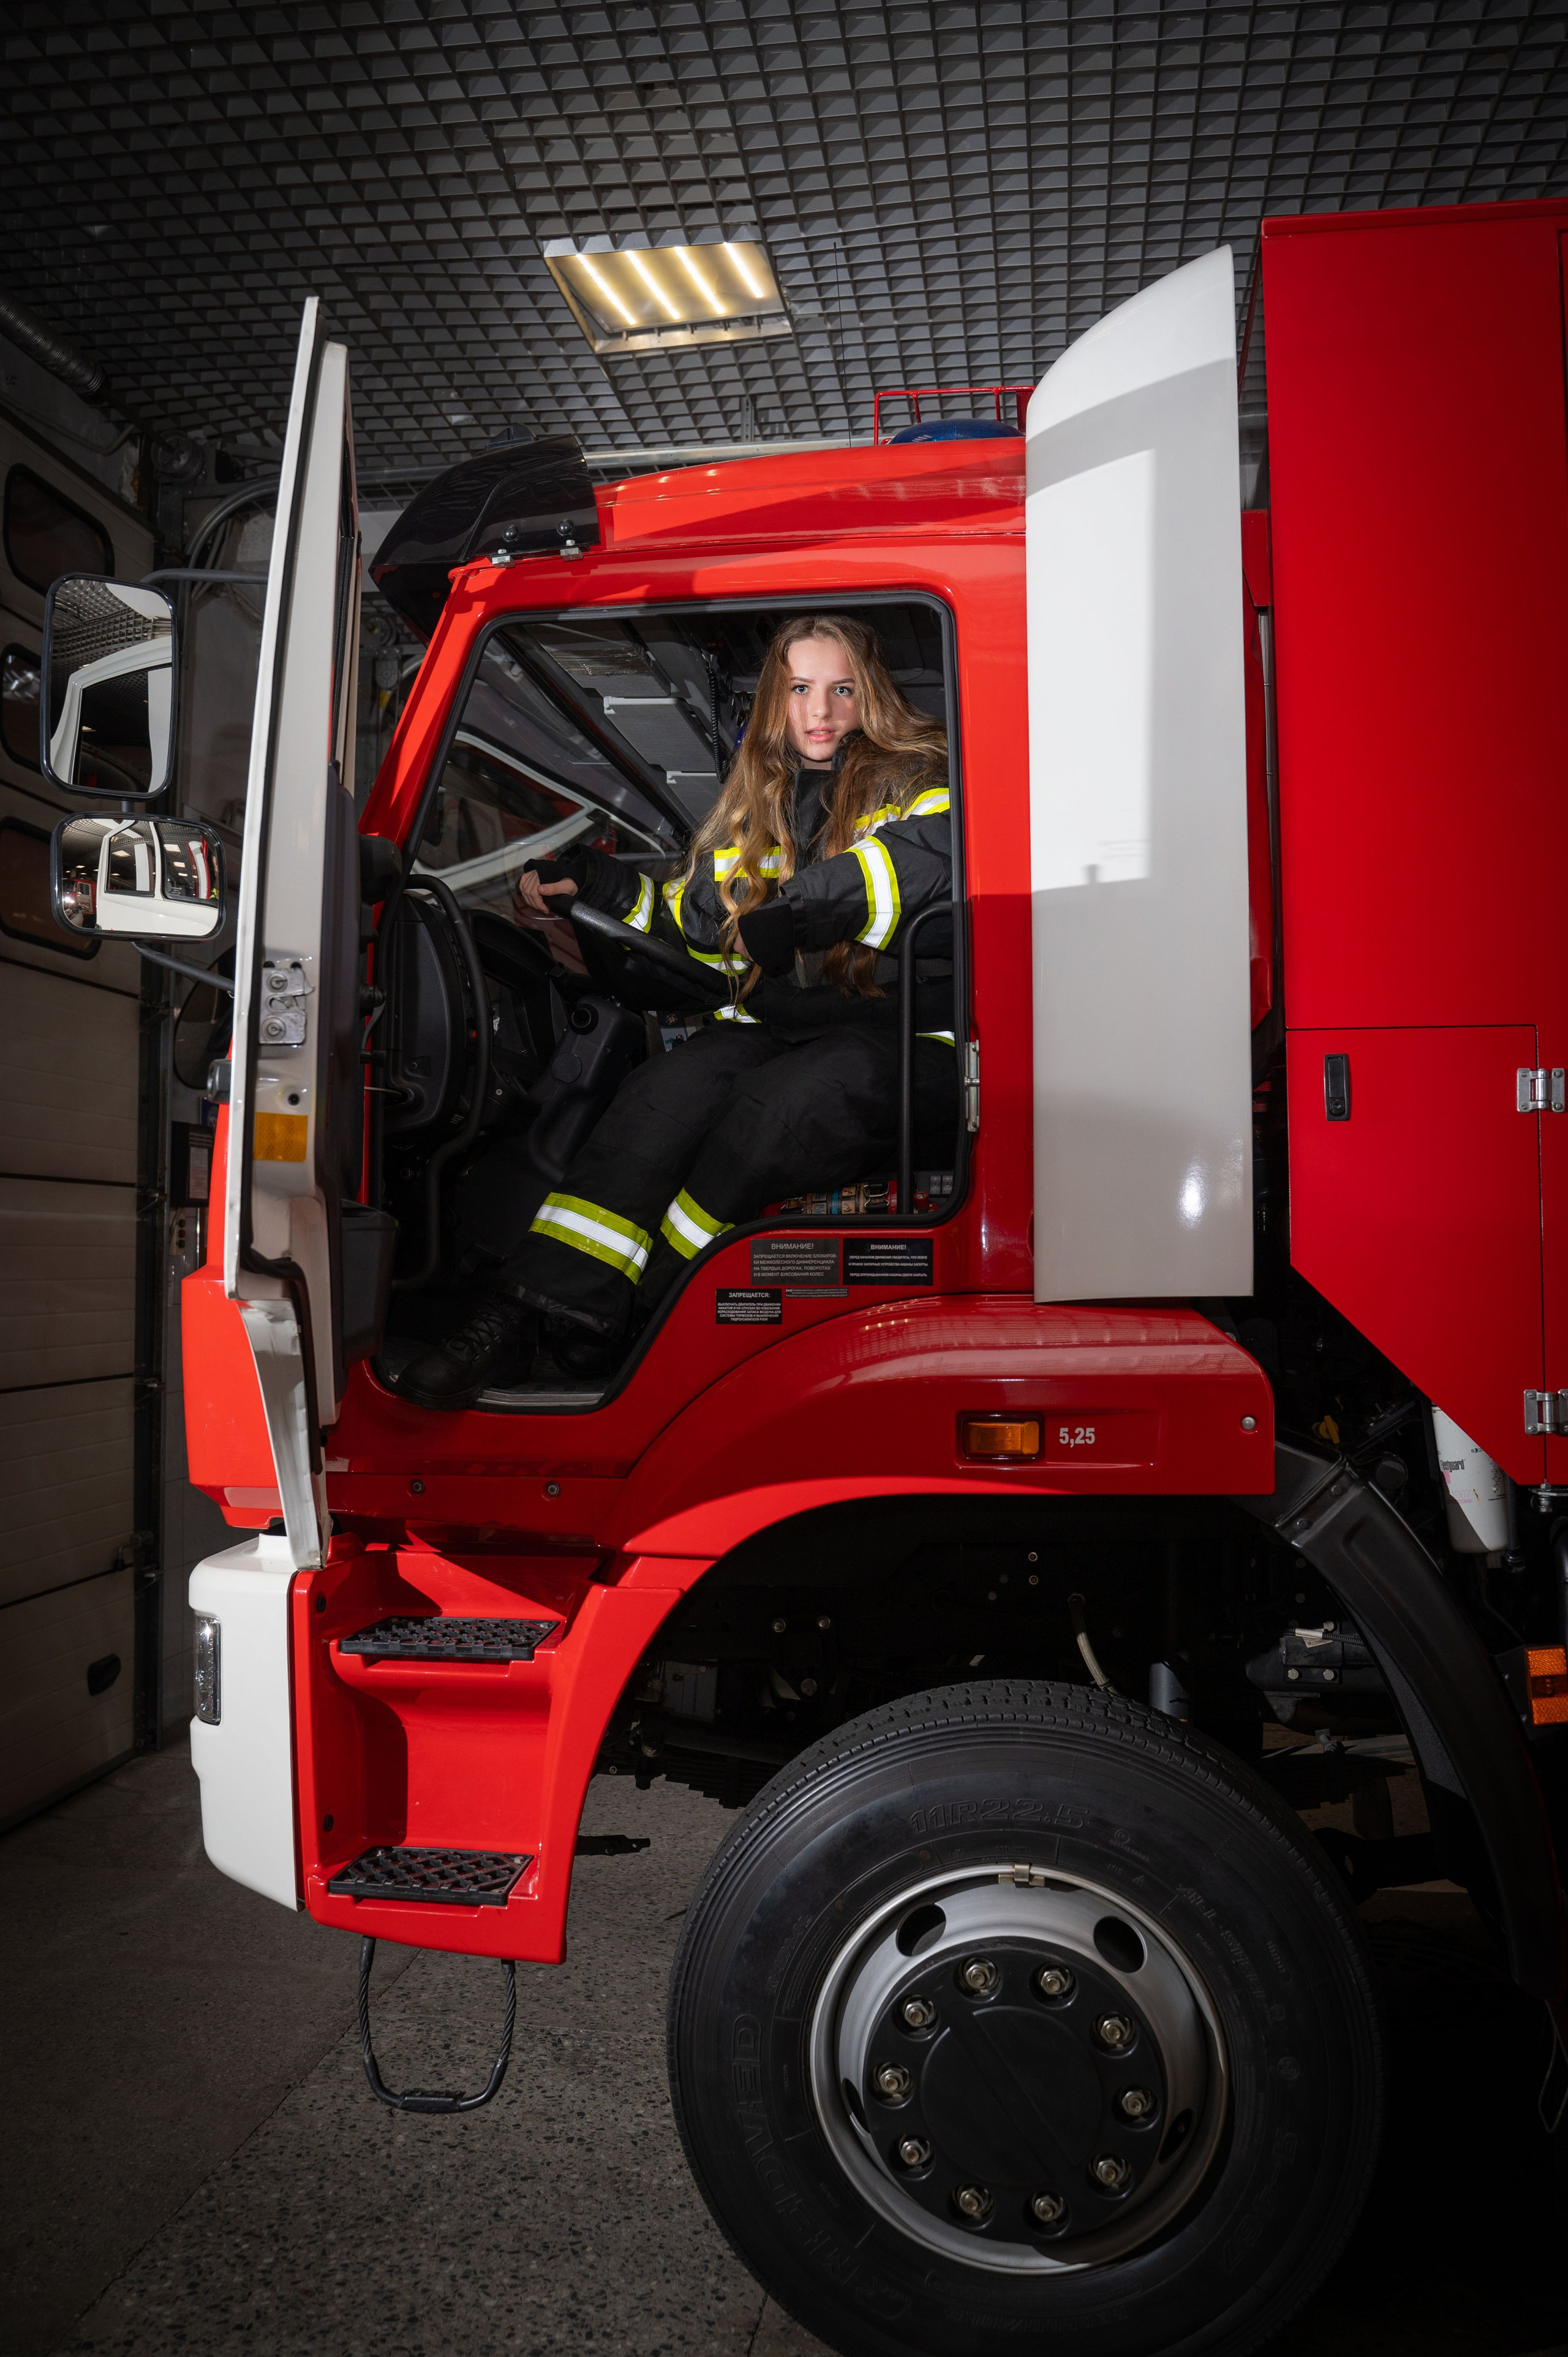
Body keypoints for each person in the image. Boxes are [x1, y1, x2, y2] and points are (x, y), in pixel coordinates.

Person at [397, 612, 959, 1410]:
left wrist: (806, 905)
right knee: (666, 1090)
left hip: (913, 1036)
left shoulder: (921, 775)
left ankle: (645, 1318)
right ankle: (529, 1314)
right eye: (800, 689)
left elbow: (924, 859)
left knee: (787, 1107)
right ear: (775, 701)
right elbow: (691, 924)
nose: (821, 711)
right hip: (782, 1027)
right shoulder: (753, 809)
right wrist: (592, 886)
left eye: (842, 689)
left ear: (871, 697)